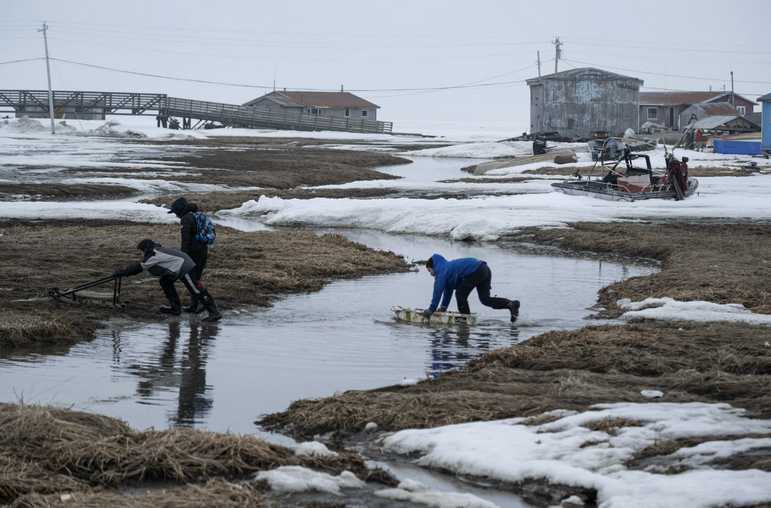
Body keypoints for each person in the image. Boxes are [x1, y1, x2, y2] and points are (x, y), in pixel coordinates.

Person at [112, 239, 222, 322]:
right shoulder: (155, 251)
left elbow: (141, 265)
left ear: (145, 249)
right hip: (179, 266)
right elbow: (143, 263)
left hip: (184, 266)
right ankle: (175, 308)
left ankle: (214, 312)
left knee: (194, 288)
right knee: (165, 282)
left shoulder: (154, 253)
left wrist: (125, 272)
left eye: (141, 253)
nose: (141, 255)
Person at [422, 254, 519, 323]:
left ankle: (466, 320)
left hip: (476, 269)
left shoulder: (441, 271)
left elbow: (437, 292)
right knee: (485, 299)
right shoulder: (446, 269)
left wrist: (431, 309)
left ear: (434, 267)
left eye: (429, 270)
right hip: (484, 268)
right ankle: (510, 304)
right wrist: (443, 308)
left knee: (460, 294)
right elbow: (448, 291)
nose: (431, 274)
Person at [168, 196, 208, 313]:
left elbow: (186, 240)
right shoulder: (195, 216)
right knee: (195, 279)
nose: (175, 215)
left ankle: (206, 301)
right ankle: (194, 306)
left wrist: (182, 256)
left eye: (175, 212)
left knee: (192, 280)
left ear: (180, 210)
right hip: (202, 250)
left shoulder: (185, 219)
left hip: (193, 252)